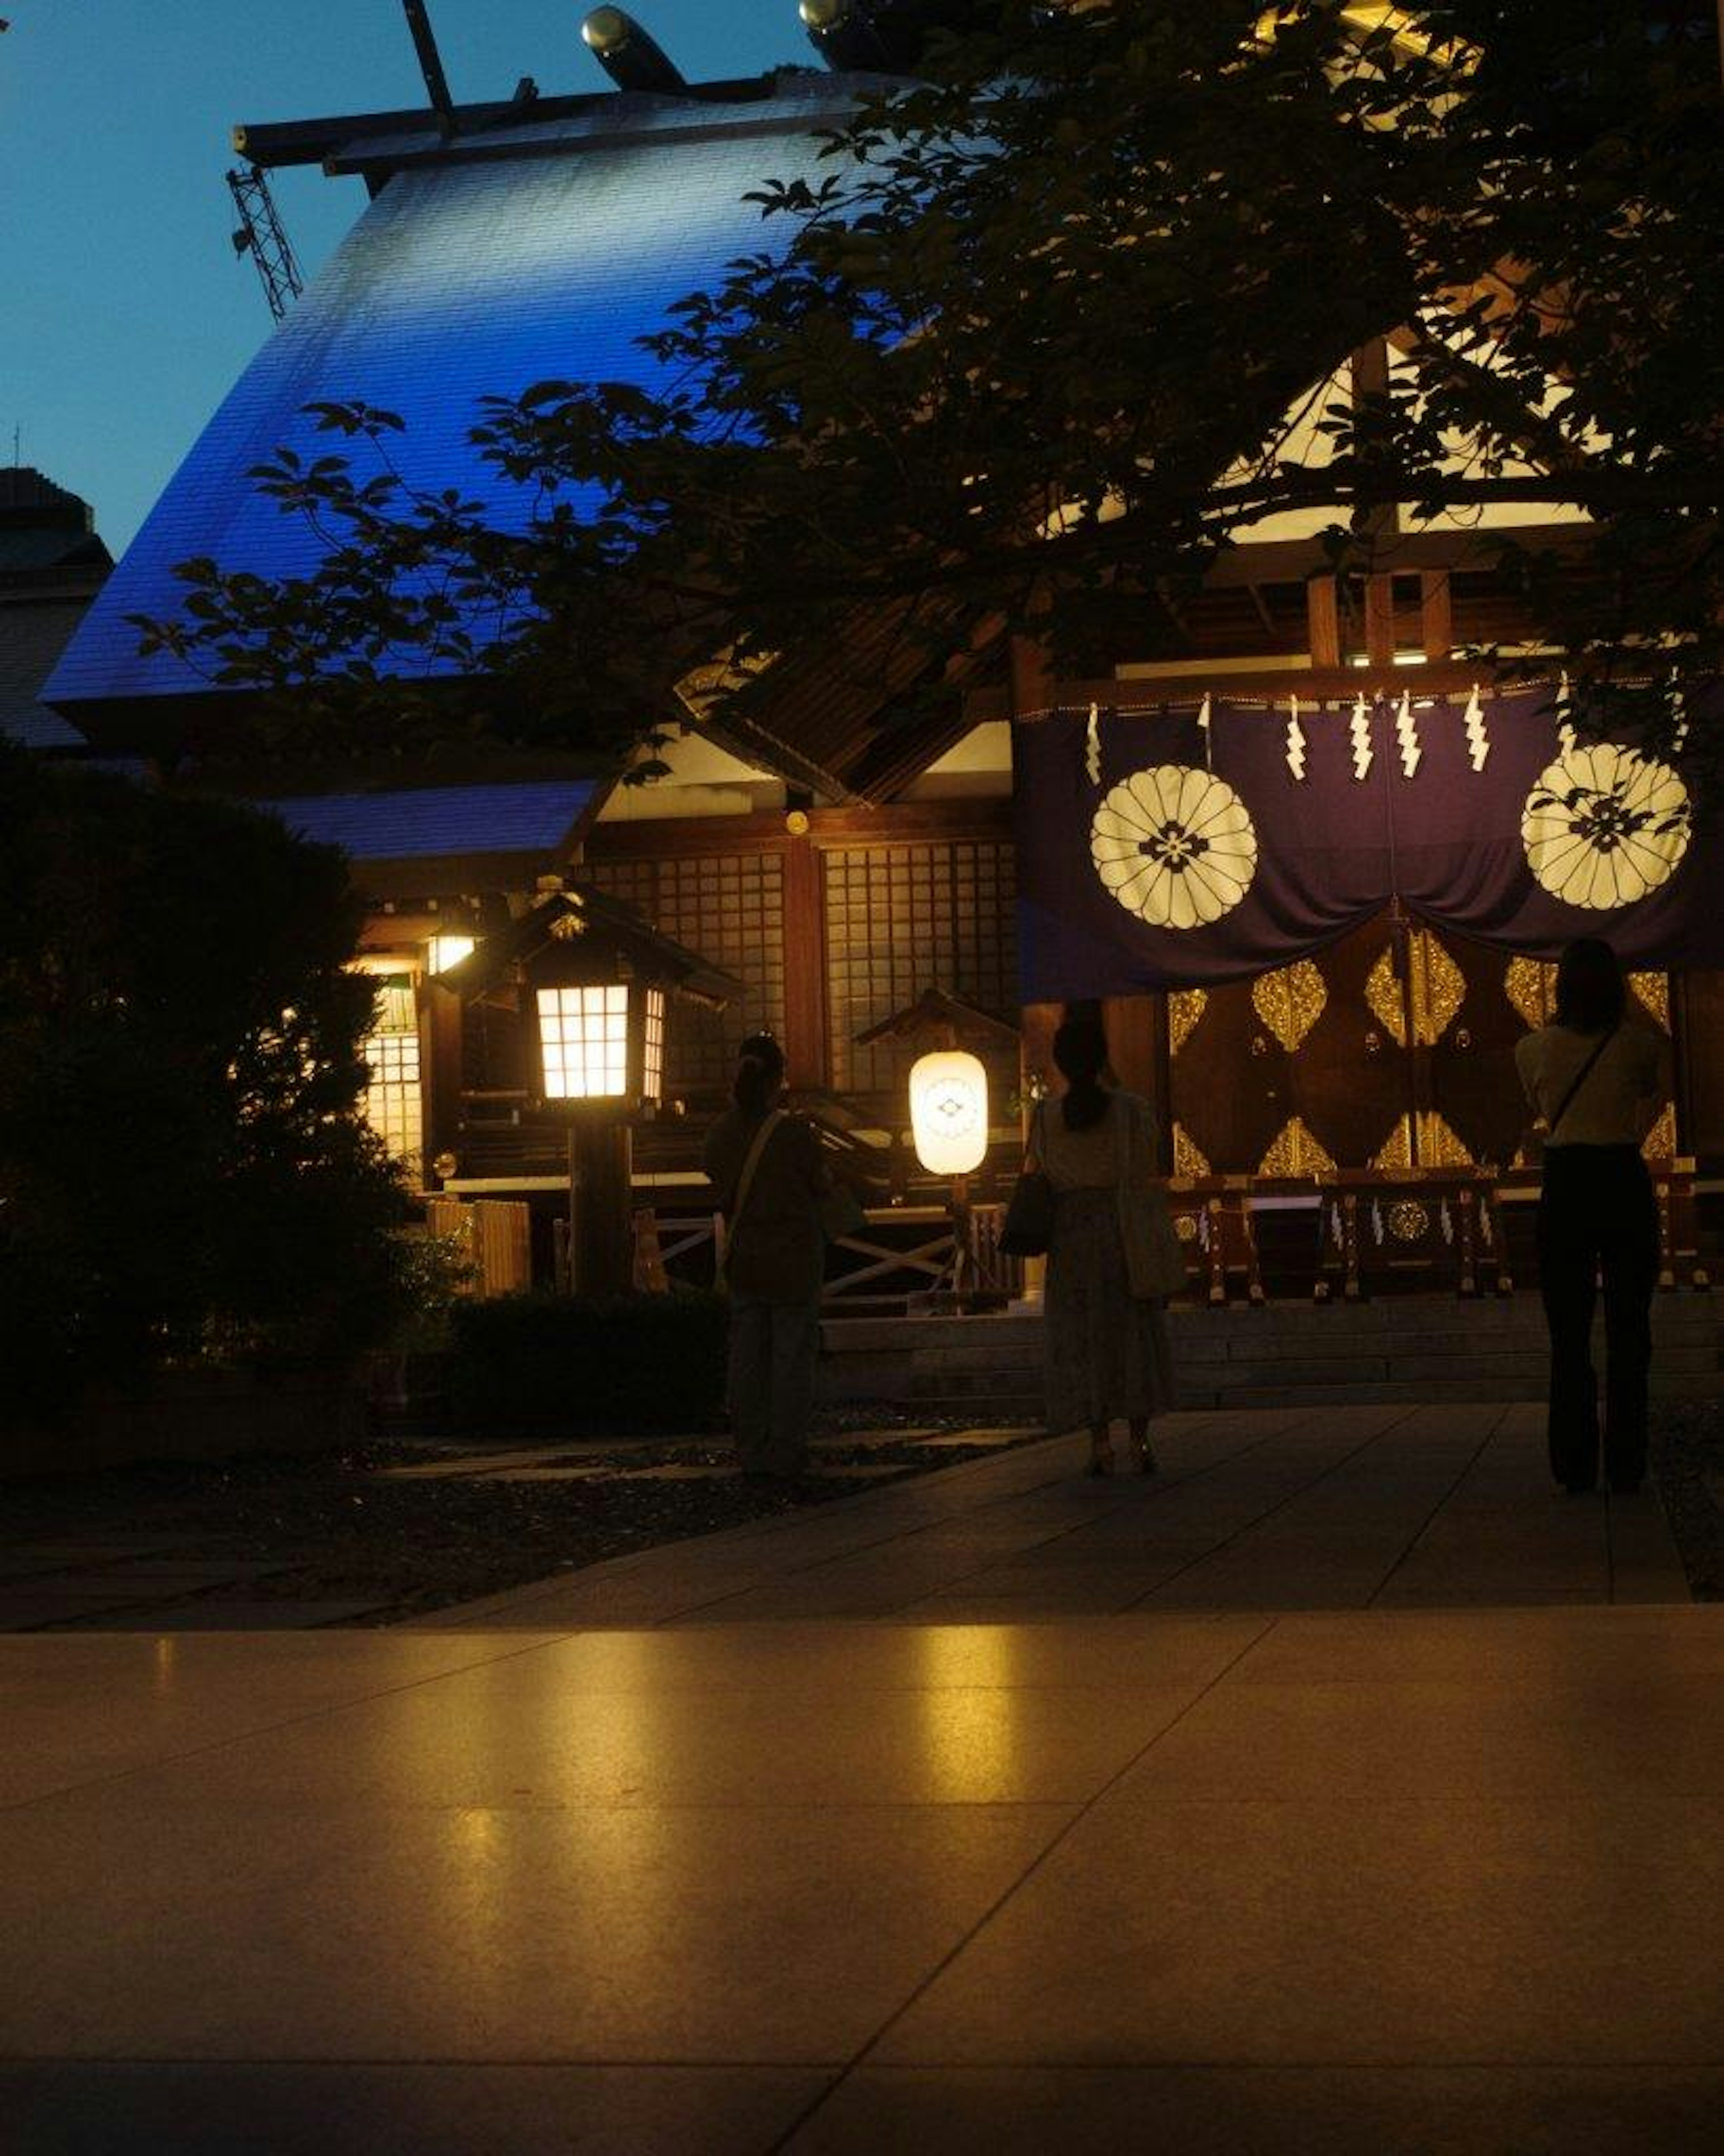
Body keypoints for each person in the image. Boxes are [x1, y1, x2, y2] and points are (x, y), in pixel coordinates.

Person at [1514, 937, 1663, 1495]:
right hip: (1622, 1179)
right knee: (1630, 1330)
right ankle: (1627, 1460)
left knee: (1569, 1333)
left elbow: (1539, 1107)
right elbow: (1646, 1094)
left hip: (1568, 1183)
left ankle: (1573, 1461)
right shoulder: (1638, 1046)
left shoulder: (1532, 1049)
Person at [1035, 1014, 1177, 1476]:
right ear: (1102, 1057)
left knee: (1084, 1335)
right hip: (1121, 1228)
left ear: (1060, 1061)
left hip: (1071, 1232)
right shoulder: (1131, 1110)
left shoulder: (1047, 1117)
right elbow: (1145, 1161)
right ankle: (1140, 1440)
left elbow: (1042, 1171)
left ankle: (1099, 1443)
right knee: (1131, 1332)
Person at [703, 1032, 827, 1479]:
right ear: (779, 1079)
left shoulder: (719, 1134)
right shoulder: (795, 1134)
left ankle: (750, 1445)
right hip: (794, 1257)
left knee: (748, 1354)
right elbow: (821, 1187)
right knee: (791, 1354)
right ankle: (786, 1446)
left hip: (746, 1255)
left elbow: (718, 1185)